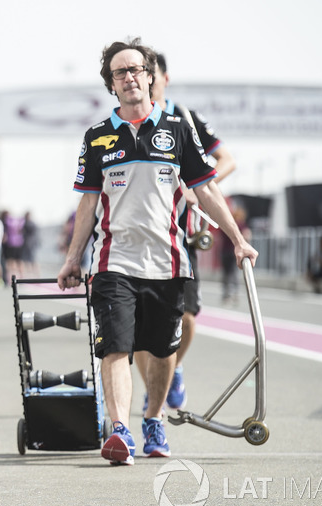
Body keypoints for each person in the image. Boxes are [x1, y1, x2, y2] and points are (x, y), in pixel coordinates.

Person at [57, 37, 257, 465]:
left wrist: (238, 239)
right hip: (113, 262)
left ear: (150, 76)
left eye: (135, 70)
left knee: (164, 351)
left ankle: (152, 419)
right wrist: (73, 258)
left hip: (168, 262)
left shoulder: (178, 130)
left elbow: (206, 190)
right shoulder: (97, 138)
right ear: (111, 85)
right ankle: (121, 432)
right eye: (119, 73)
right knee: (115, 348)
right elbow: (88, 203)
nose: (128, 78)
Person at [135, 52, 238, 412]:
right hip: (139, 239)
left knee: (187, 318)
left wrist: (197, 189)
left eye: (150, 73)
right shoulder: (130, 121)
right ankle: (152, 392)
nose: (144, 80)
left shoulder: (186, 118)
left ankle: (172, 370)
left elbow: (227, 160)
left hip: (183, 236)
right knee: (140, 332)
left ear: (163, 78)